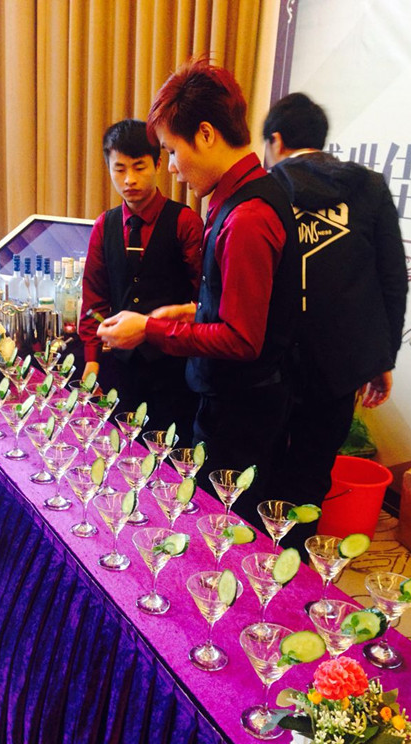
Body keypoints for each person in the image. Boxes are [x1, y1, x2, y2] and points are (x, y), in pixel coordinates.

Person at [97, 59, 301, 522]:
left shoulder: (247, 218)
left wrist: (149, 329)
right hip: (234, 401)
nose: (171, 168)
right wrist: (192, 311)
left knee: (223, 526)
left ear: (206, 134)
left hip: (241, 412)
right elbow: (247, 305)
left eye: (171, 151)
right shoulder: (241, 196)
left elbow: (242, 338)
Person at [262, 92, 408, 556]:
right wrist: (381, 358)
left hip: (270, 359)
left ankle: (256, 563)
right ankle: (296, 563)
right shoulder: (370, 187)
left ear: (276, 140)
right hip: (340, 363)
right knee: (312, 472)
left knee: (264, 467)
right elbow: (392, 280)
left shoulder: (265, 187)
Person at [80, 118, 202, 441]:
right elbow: (94, 298)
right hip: (121, 368)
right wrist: (92, 360)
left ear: (158, 164)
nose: (129, 180)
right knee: (121, 450)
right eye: (119, 169)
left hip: (175, 370)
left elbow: (202, 297)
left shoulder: (185, 222)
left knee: (169, 454)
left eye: (139, 167)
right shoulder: (104, 226)